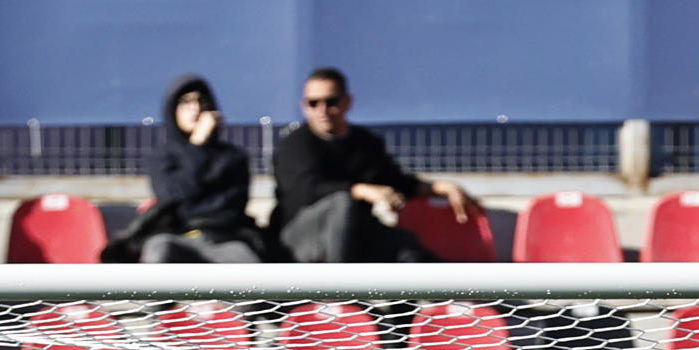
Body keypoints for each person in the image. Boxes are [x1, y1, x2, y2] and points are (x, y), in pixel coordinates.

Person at [271, 67, 479, 263]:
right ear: (304, 106)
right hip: (298, 239)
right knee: (342, 204)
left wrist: (440, 187)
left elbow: (395, 182)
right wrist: (359, 191)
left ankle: (455, 287)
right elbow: (304, 189)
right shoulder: (296, 144)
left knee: (406, 249)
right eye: (313, 103)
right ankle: (340, 286)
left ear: (347, 102)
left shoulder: (365, 143)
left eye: (331, 101)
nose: (322, 110)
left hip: (357, 232)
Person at [139, 74, 267, 265]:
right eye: (185, 102)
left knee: (248, 264)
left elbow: (230, 208)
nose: (196, 108)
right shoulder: (162, 157)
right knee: (158, 249)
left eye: (201, 101)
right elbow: (172, 196)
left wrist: (192, 206)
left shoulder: (233, 156)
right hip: (177, 236)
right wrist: (198, 145)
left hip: (224, 239)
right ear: (172, 110)